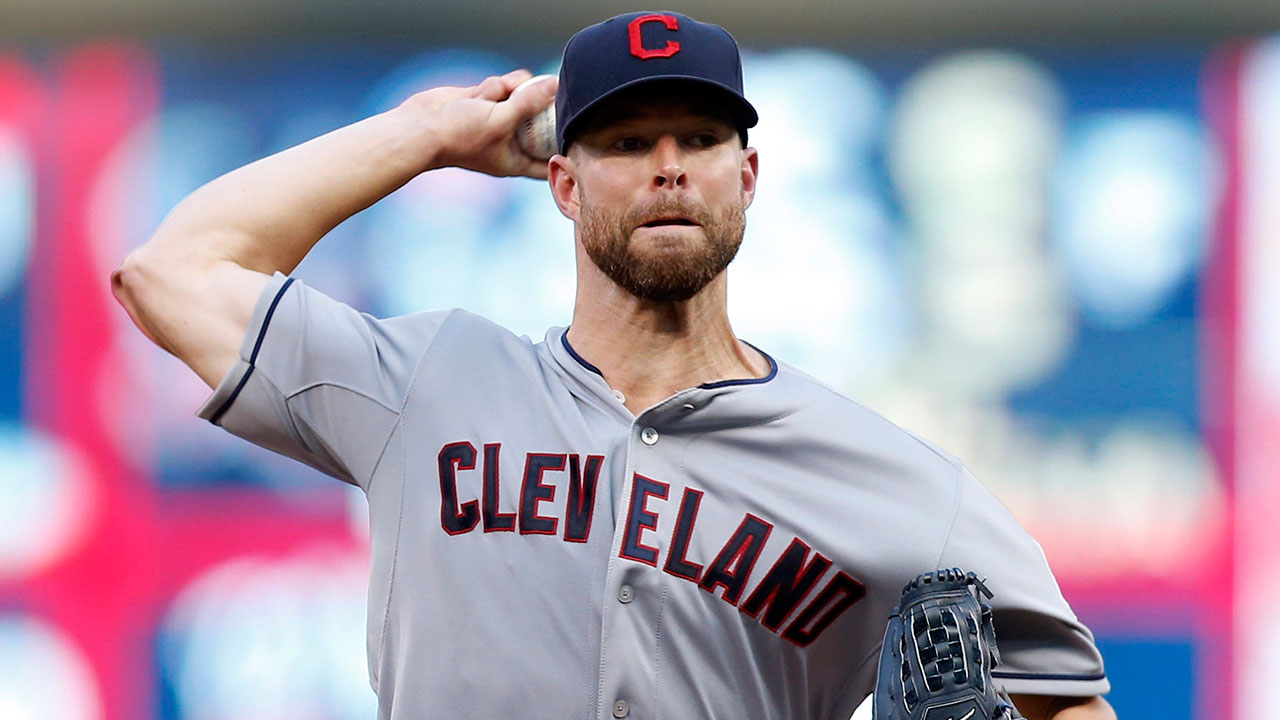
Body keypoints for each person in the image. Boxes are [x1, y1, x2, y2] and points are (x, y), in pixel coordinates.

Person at [111, 11, 1116, 720]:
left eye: (699, 137)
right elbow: (170, 274)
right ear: (561, 184)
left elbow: (1066, 702)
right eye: (626, 141)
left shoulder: (892, 482)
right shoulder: (425, 385)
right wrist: (427, 135)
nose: (667, 164)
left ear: (748, 175)